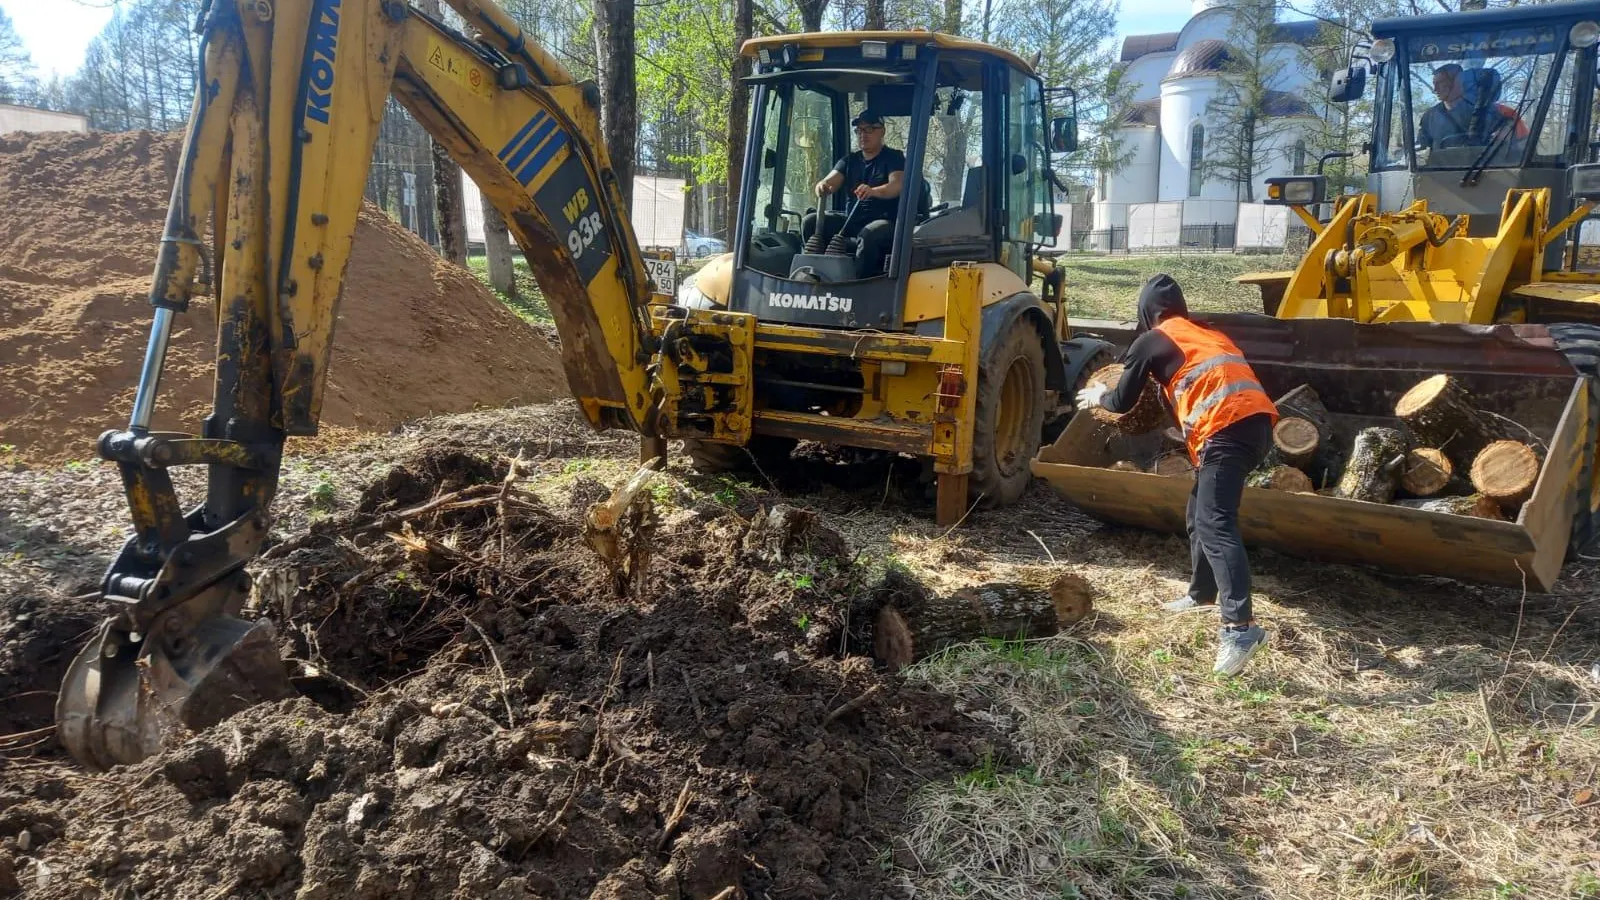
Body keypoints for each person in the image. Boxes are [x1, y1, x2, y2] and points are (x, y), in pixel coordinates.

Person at [1075, 274, 1278, 676]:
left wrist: (1099, 394)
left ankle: (1241, 628)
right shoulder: (1204, 333)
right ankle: (1202, 594)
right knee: (1197, 512)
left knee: (1216, 523)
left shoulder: (1152, 339)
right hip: (1255, 427)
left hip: (1227, 430)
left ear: (1146, 310)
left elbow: (1122, 399)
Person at [806, 109, 904, 276]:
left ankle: (859, 282)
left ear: (882, 131)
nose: (862, 135)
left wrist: (872, 191)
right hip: (851, 220)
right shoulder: (849, 161)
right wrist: (821, 186)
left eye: (869, 130)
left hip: (885, 222)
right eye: (859, 130)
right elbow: (829, 182)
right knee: (810, 221)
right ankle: (813, 275)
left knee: (869, 234)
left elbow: (897, 185)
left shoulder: (894, 158)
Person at [1416, 63, 1527, 158]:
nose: (1435, 89)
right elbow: (1420, 155)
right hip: (1439, 178)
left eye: (1440, 83)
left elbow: (1525, 154)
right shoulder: (1429, 117)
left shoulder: (1505, 114)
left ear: (1458, 82)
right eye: (1434, 84)